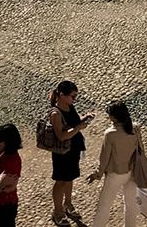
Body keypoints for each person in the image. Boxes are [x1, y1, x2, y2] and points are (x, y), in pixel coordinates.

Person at [88, 101, 146, 227]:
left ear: (114, 117)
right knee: (131, 205)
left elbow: (104, 158)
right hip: (132, 172)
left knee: (104, 206)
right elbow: (141, 149)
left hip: (115, 174)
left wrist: (97, 174)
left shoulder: (110, 134)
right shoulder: (135, 128)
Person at [46, 81, 91, 227]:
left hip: (73, 150)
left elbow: (74, 122)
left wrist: (84, 118)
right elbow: (61, 135)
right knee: (61, 182)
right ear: (62, 95)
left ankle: (68, 204)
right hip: (62, 153)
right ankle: (58, 211)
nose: (74, 99)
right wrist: (79, 127)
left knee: (70, 178)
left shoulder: (69, 106)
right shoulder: (55, 113)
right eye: (72, 96)